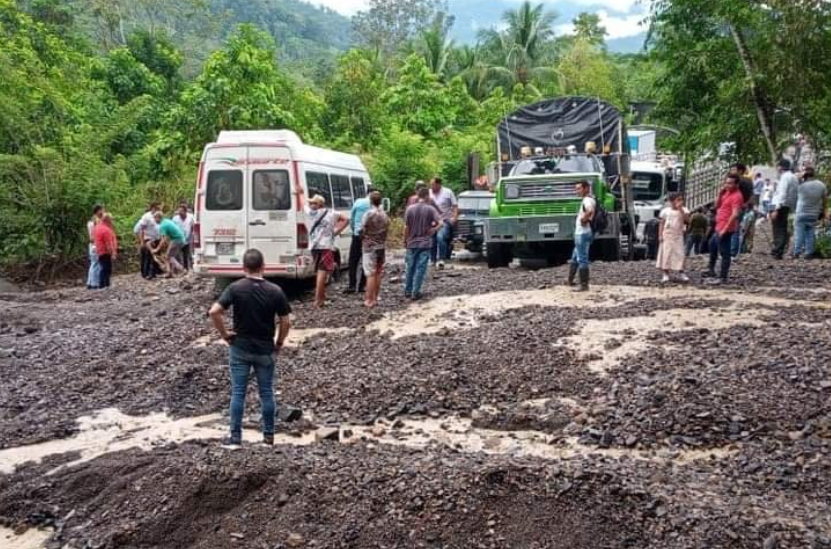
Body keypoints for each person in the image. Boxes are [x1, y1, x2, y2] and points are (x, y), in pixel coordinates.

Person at [208, 249, 291, 449]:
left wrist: (225, 334)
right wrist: (279, 343)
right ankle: (268, 438)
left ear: (244, 268)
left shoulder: (235, 288)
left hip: (240, 347)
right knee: (266, 393)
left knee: (238, 393)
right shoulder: (275, 290)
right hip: (265, 349)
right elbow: (286, 321)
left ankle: (235, 438)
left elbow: (214, 312)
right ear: (263, 267)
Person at [306, 194, 348, 308]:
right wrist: (336, 232)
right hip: (326, 246)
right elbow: (346, 219)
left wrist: (298, 193)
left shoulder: (310, 213)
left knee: (319, 272)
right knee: (322, 273)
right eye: (311, 203)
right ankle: (318, 300)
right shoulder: (332, 213)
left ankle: (321, 298)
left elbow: (301, 203)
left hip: (314, 247)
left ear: (319, 204)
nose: (311, 205)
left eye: (313, 203)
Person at [703, 175, 743, 284]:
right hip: (719, 225)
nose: (727, 185)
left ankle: (723, 277)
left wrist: (725, 229)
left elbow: (735, 214)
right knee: (712, 245)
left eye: (730, 183)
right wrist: (720, 193)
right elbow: (717, 206)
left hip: (725, 228)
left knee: (724, 252)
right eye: (726, 183)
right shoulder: (726, 193)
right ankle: (711, 269)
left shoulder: (737, 196)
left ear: (736, 184)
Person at [404, 186, 442, 300]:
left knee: (410, 267)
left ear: (418, 195)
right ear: (427, 197)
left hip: (412, 242)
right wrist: (433, 229)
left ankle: (407, 290)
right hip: (425, 243)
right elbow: (441, 222)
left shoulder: (409, 209)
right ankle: (416, 292)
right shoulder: (430, 209)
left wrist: (405, 240)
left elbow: (406, 227)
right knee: (421, 268)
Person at [360, 191, 389, 308]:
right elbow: (387, 230)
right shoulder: (385, 215)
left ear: (370, 201)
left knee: (370, 274)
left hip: (369, 247)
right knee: (378, 272)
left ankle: (369, 299)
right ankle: (376, 298)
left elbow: (361, 230)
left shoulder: (368, 214)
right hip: (381, 246)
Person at [792, 167, 828, 259]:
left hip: (801, 213)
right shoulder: (821, 185)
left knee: (799, 233)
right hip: (814, 214)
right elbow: (824, 200)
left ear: (805, 175)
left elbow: (794, 179)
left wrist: (801, 175)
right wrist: (824, 212)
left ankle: (796, 252)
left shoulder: (801, 185)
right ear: (814, 174)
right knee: (810, 232)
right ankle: (809, 253)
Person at [568, 180, 595, 292]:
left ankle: (584, 285)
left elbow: (589, 211)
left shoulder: (587, 200)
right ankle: (570, 280)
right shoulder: (588, 199)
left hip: (582, 233)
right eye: (576, 188)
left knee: (582, 259)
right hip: (583, 233)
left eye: (579, 188)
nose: (577, 191)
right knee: (575, 256)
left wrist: (583, 220)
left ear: (586, 188)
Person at [656, 192, 690, 283]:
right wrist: (660, 235)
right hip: (667, 234)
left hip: (678, 235)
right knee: (666, 254)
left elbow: (687, 220)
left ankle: (681, 272)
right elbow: (661, 223)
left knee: (680, 253)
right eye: (678, 200)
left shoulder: (684, 209)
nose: (680, 201)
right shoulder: (665, 211)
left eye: (681, 199)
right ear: (672, 201)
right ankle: (665, 273)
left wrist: (680, 210)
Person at [769, 159, 799, 259]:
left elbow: (782, 193)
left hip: (780, 205)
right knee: (781, 227)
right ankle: (778, 249)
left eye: (778, 166)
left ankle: (778, 250)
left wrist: (776, 209)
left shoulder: (785, 177)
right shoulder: (793, 177)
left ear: (781, 167)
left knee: (778, 228)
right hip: (786, 205)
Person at [345, 189, 371, 294]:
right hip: (368, 237)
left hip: (356, 236)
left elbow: (351, 218)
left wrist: (354, 229)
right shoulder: (377, 205)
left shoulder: (358, 202)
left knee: (353, 261)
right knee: (366, 261)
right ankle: (362, 286)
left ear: (366, 192)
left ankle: (352, 285)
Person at [429, 177, 458, 269]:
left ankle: (441, 258)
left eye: (433, 184)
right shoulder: (429, 193)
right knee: (432, 240)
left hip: (444, 220)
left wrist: (454, 217)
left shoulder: (448, 192)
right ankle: (432, 260)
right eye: (431, 184)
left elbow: (455, 206)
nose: (431, 186)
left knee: (440, 237)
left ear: (438, 184)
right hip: (432, 221)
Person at [152, 212, 187, 277]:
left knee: (169, 256)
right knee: (167, 256)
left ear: (158, 217)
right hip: (179, 239)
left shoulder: (163, 225)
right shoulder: (166, 221)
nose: (154, 220)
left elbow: (164, 239)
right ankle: (169, 273)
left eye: (155, 218)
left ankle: (182, 270)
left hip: (177, 239)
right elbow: (167, 236)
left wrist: (157, 249)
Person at [136, 202, 161, 279]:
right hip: (148, 238)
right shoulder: (147, 217)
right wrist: (142, 241)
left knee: (155, 256)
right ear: (153, 208)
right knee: (148, 257)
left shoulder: (157, 216)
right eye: (157, 208)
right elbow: (141, 229)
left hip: (156, 239)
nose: (159, 209)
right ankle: (146, 273)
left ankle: (153, 273)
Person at [93, 213, 118, 289]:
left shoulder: (97, 227)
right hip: (105, 252)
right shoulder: (106, 230)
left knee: (104, 267)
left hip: (99, 251)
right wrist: (113, 253)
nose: (112, 221)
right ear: (108, 220)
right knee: (106, 268)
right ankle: (104, 284)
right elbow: (108, 243)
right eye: (111, 220)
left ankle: (104, 284)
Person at [86, 205, 105, 289]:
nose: (103, 212)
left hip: (92, 245)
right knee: (97, 264)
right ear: (97, 211)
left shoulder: (90, 222)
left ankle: (90, 282)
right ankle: (94, 283)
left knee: (93, 264)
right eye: (102, 210)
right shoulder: (95, 222)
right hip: (96, 244)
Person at [172, 203, 195, 272]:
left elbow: (193, 227)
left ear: (185, 211)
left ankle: (187, 268)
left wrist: (193, 235)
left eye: (181, 211)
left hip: (188, 239)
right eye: (179, 211)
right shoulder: (175, 219)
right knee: (177, 254)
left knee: (187, 254)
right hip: (178, 239)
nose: (179, 213)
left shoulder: (191, 217)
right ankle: (178, 269)